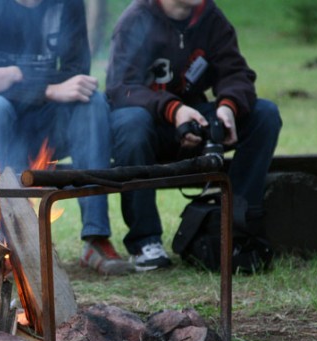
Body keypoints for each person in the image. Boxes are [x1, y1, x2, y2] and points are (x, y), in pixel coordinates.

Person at [0, 0, 133, 276]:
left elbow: (76, 73)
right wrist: (48, 87)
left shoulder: (67, 4)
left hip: (41, 124)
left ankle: (96, 238)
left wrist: (16, 75)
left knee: (90, 101)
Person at [107, 0, 282, 271]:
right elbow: (120, 87)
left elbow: (236, 73)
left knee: (265, 114)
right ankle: (145, 240)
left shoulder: (210, 17)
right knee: (131, 123)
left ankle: (234, 225)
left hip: (194, 118)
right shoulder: (136, 18)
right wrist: (173, 110)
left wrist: (227, 107)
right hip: (149, 123)